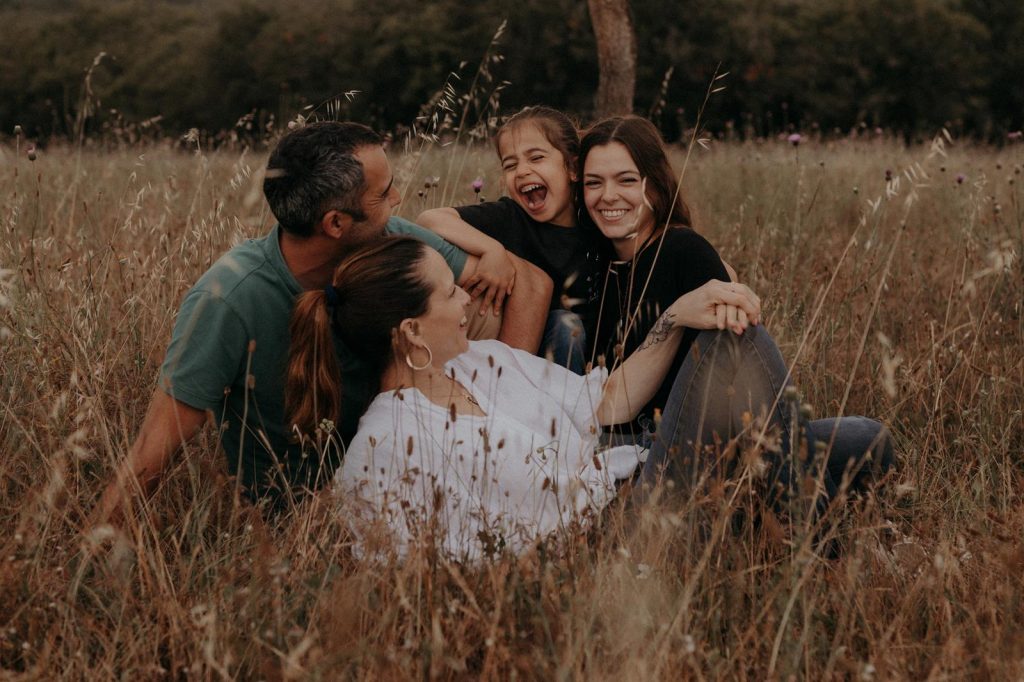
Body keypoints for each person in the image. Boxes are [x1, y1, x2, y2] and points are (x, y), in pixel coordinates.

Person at [93, 121, 552, 524]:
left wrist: (502, 406)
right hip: (303, 519)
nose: (397, 198)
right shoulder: (229, 299)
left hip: (413, 478)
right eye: (384, 192)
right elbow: (150, 456)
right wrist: (84, 569)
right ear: (336, 224)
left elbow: (528, 283)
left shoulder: (389, 239)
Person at [285, 236, 763, 559]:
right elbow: (430, 573)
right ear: (411, 330)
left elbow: (606, 404)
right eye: (451, 293)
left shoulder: (484, 360)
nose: (467, 301)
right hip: (621, 536)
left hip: (644, 476)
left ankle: (773, 488)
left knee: (819, 431)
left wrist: (674, 317)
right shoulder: (382, 450)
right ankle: (774, 495)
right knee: (743, 341)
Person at [579, 115, 893, 503]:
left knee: (865, 435)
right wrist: (674, 317)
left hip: (699, 445)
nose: (608, 195)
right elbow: (606, 410)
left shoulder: (682, 250)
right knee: (850, 441)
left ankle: (779, 508)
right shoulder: (590, 271)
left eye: (626, 180)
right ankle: (801, 523)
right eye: (594, 182)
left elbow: (739, 359)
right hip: (642, 460)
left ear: (655, 186)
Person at [417, 106, 613, 374]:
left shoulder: (596, 226)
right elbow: (431, 218)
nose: (521, 171)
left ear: (573, 168)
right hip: (518, 352)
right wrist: (492, 249)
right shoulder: (509, 216)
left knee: (568, 327)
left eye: (536, 158)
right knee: (564, 324)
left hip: (585, 365)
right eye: (510, 165)